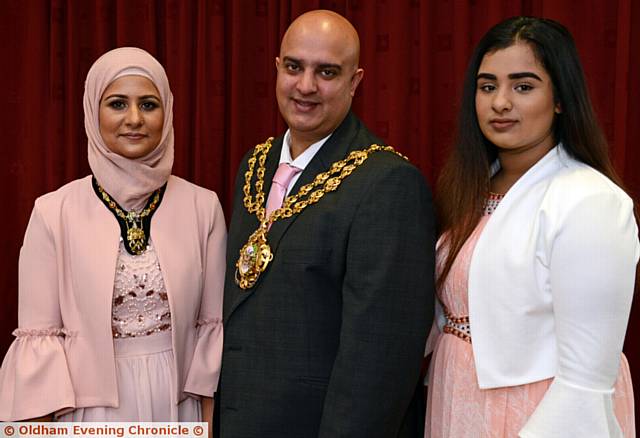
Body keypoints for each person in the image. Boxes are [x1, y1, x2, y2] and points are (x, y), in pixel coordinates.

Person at [217, 9, 435, 438]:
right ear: (277, 69)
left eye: (327, 72)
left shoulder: (388, 183)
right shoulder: (254, 165)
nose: (306, 86)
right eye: (294, 67)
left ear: (355, 81)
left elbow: (380, 360)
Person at [425, 16, 638, 438]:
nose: (500, 102)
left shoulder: (588, 199)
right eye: (488, 87)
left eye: (523, 86)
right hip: (458, 395)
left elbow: (586, 382)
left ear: (560, 98)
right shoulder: (471, 187)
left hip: (538, 410)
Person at [0, 47, 225, 427]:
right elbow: (38, 347)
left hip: (176, 405)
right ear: (93, 111)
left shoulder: (203, 207)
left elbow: (210, 336)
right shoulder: (54, 213)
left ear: (167, 113)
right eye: (118, 104)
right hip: (87, 414)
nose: (134, 119)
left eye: (149, 105)